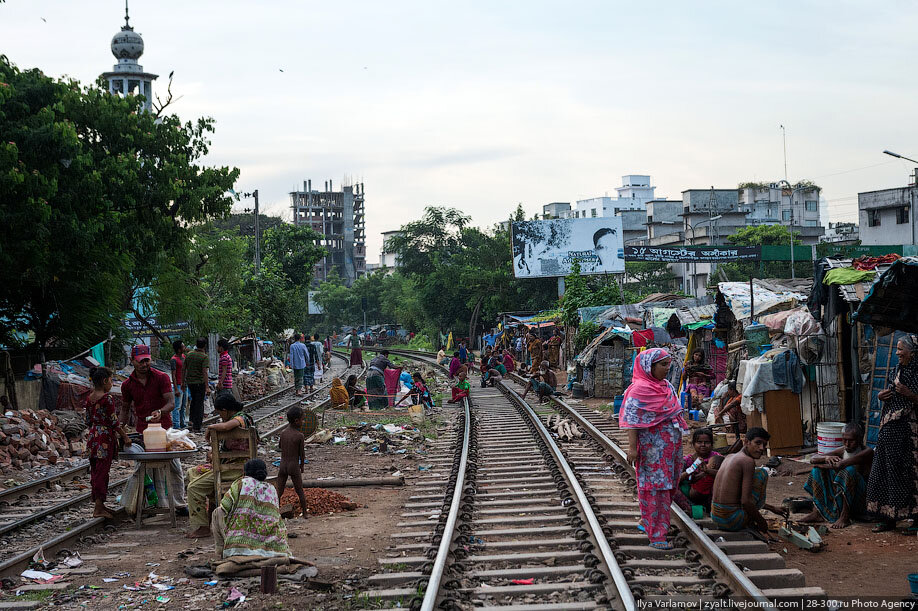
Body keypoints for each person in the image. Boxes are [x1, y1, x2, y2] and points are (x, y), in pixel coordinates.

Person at [620, 348, 686, 549]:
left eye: (668, 364)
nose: (667, 369)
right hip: (652, 451)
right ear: (650, 366)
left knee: (669, 486)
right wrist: (632, 448)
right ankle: (657, 535)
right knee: (655, 489)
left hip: (670, 450)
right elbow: (631, 421)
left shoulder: (665, 386)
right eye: (663, 365)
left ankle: (647, 521)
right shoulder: (639, 390)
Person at [121, 344, 188, 514]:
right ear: (132, 361)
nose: (144, 365)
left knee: (173, 466)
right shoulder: (128, 385)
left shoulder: (161, 378)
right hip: (143, 430)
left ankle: (178, 503)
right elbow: (125, 408)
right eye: (141, 362)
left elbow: (171, 402)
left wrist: (161, 411)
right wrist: (120, 428)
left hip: (164, 429)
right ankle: (150, 503)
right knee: (144, 467)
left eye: (147, 361)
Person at [866, 334, 918, 533]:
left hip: (909, 434)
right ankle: (887, 518)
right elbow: (890, 393)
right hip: (889, 430)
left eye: (900, 350)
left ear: (912, 353)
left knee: (907, 475)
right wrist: (881, 396)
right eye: (896, 349)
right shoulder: (896, 370)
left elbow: (911, 398)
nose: (897, 353)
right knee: (884, 472)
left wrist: (909, 394)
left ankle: (915, 519)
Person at [186, 394, 255, 538]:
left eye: (220, 412)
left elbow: (227, 426)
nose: (220, 416)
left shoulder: (242, 418)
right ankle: (212, 509)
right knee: (192, 472)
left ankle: (203, 526)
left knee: (193, 488)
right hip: (224, 466)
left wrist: (210, 427)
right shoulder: (235, 418)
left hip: (235, 468)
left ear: (226, 410)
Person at [711, 427, 787, 533]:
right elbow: (746, 501)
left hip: (715, 517)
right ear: (746, 442)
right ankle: (749, 520)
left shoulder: (729, 457)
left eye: (764, 445)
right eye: (758, 443)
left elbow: (737, 495)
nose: (761, 448)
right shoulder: (747, 461)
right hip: (731, 520)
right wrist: (761, 522)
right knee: (762, 473)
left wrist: (772, 508)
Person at [212, 458, 290, 560]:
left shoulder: (241, 483)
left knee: (217, 512)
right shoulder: (271, 488)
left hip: (242, 541)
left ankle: (222, 551)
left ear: (245, 472)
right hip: (274, 541)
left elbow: (225, 505)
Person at [800, 422, 874, 529]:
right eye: (844, 440)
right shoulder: (843, 449)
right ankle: (818, 512)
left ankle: (845, 516)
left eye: (851, 441)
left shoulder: (867, 452)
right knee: (816, 471)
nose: (847, 444)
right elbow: (813, 459)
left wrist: (823, 464)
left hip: (862, 497)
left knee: (848, 471)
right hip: (845, 490)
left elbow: (841, 465)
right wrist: (825, 458)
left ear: (859, 439)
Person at [84, 366, 131, 518]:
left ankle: (100, 505)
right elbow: (114, 422)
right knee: (102, 473)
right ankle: (98, 507)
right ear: (105, 381)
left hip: (93, 437)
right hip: (105, 439)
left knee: (95, 472)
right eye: (111, 380)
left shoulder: (90, 398)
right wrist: (125, 436)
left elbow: (88, 420)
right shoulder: (107, 399)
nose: (111, 383)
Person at [677, 428, 722, 511]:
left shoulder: (717, 458)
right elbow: (677, 479)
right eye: (699, 442)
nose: (703, 445)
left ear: (712, 444)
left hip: (712, 495)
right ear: (693, 444)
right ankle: (690, 508)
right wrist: (690, 470)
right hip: (692, 494)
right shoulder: (688, 460)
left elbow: (725, 475)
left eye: (707, 442)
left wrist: (707, 471)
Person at [276, 407, 308, 519]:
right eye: (302, 419)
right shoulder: (299, 436)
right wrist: (302, 466)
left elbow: (280, 446)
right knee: (299, 490)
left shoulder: (283, 433)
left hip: (283, 464)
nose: (303, 422)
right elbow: (301, 454)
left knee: (279, 491)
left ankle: (274, 512)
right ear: (296, 421)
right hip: (293, 465)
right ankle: (305, 513)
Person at [184, 338, 211, 434]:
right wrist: (207, 386)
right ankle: (197, 426)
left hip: (190, 382)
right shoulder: (204, 357)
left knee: (193, 402)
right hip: (200, 383)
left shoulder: (189, 355)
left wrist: (184, 382)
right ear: (204, 346)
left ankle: (191, 421)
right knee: (199, 404)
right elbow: (205, 372)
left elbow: (184, 369)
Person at [170, 340, 188, 429]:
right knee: (177, 406)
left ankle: (182, 423)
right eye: (183, 347)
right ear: (179, 349)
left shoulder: (184, 357)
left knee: (183, 405)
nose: (184, 348)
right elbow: (173, 374)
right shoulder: (174, 360)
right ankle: (176, 425)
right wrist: (176, 389)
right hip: (178, 385)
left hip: (184, 384)